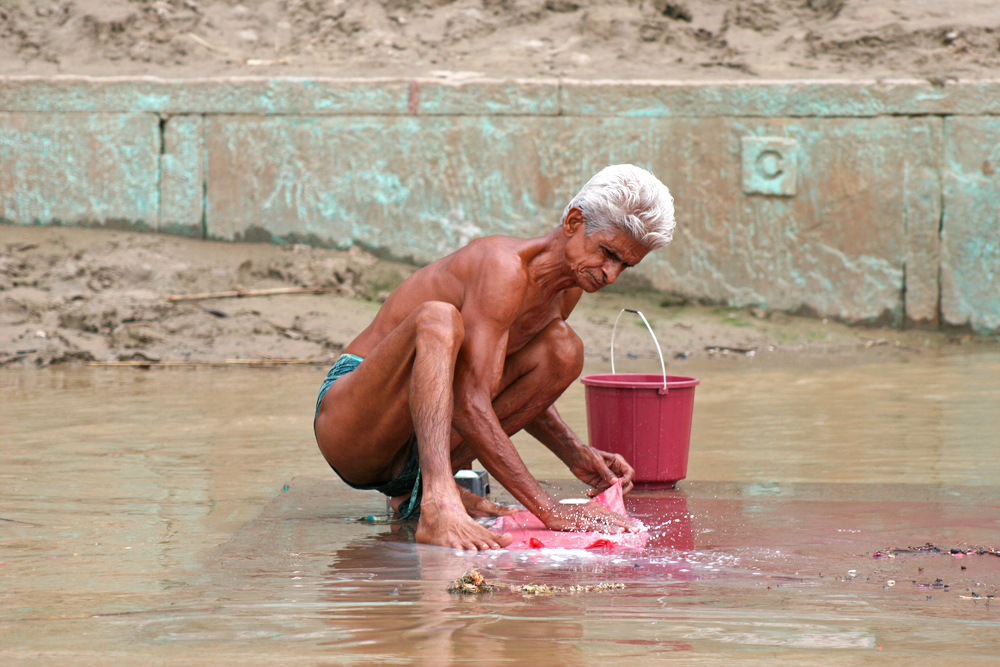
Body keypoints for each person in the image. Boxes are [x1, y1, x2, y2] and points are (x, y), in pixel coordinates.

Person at [314, 164, 676, 551]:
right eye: (608, 253)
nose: (611, 275)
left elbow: (490, 380)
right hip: (352, 428)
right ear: (573, 222)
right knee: (438, 320)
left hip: (410, 455)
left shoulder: (567, 289)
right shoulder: (502, 266)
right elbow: (470, 402)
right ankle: (439, 502)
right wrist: (548, 510)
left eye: (625, 264)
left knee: (564, 350)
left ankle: (418, 494)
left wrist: (577, 455)